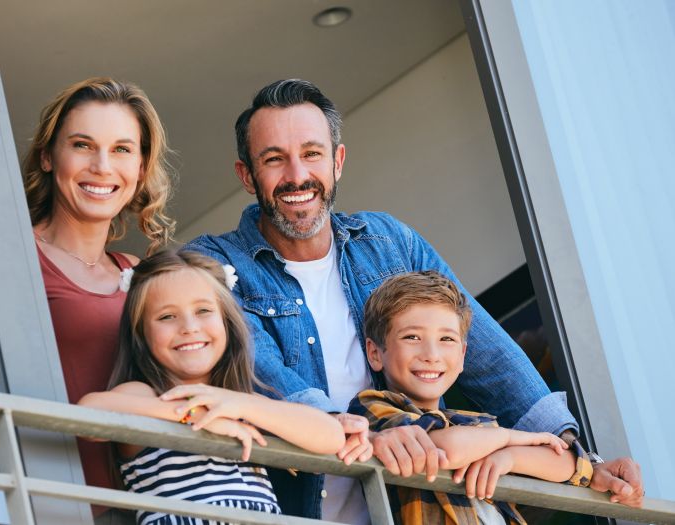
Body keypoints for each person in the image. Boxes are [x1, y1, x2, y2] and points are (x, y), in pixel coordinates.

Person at [186, 78, 643, 520]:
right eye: (274, 159)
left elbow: (487, 353)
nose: (298, 175)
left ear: (338, 161)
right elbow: (259, 368)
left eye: (312, 154)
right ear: (247, 175)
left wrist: (577, 454)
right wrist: (350, 432)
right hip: (302, 510)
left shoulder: (389, 241)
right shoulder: (214, 262)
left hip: (416, 507)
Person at [78, 249, 345, 524]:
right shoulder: (150, 397)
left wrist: (241, 404)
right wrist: (194, 416)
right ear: (141, 334)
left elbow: (331, 435)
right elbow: (90, 411)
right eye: (167, 316)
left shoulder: (240, 405)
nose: (189, 327)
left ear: (227, 323)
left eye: (203, 311)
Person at [22, 77, 174, 521]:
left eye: (122, 149)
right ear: (49, 156)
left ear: (142, 167)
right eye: (83, 145)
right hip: (41, 501)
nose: (103, 166)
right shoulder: (11, 256)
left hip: (144, 507)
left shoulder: (141, 275)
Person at [348, 271, 593, 524]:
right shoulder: (372, 406)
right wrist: (509, 437)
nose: (431, 354)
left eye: (446, 339)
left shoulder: (478, 424)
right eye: (412, 337)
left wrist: (508, 457)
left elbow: (572, 465)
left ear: (463, 355)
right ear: (375, 353)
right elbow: (445, 449)